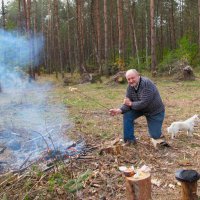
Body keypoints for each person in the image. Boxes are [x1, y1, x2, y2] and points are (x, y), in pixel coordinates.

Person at [109, 69, 165, 145]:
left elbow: (143, 103)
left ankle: (158, 133)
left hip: (154, 111)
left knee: (155, 135)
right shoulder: (130, 87)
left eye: (133, 78)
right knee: (127, 115)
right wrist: (119, 110)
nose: (131, 81)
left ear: (138, 76)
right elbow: (127, 103)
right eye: (128, 79)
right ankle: (130, 140)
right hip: (139, 108)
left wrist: (130, 103)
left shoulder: (146, 84)